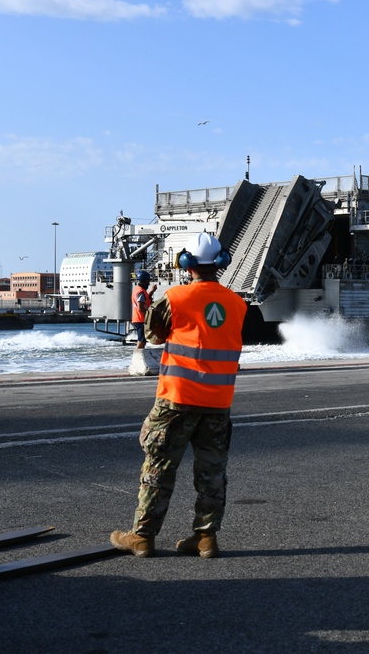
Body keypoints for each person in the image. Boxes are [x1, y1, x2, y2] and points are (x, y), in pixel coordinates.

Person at [111, 233, 248, 559]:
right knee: (212, 471)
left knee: (158, 466)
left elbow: (153, 336)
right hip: (218, 402)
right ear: (221, 263)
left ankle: (142, 537)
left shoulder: (176, 298)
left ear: (186, 264)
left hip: (177, 398)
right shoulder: (238, 304)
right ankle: (205, 538)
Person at [131, 271, 157, 349]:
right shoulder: (141, 292)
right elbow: (140, 307)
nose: (149, 283)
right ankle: (137, 357)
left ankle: (138, 356)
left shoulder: (139, 290)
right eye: (148, 281)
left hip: (138, 319)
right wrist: (148, 317)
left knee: (142, 339)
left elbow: (146, 299)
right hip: (140, 319)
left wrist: (152, 291)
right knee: (142, 340)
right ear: (144, 281)